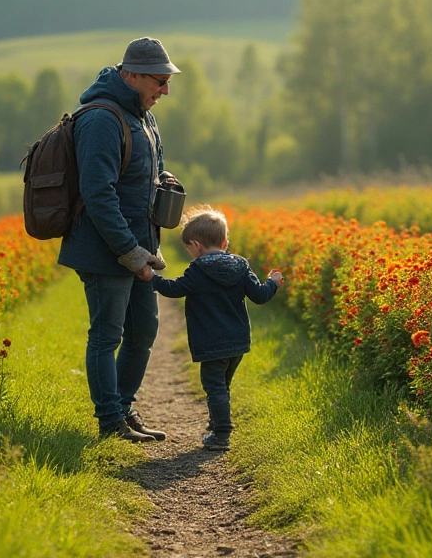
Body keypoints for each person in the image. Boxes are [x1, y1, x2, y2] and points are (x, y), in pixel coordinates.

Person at [58, 36, 178, 442]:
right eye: (159, 81)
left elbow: (148, 171)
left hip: (140, 246)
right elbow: (98, 194)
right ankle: (110, 423)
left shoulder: (143, 115)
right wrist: (129, 251)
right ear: (131, 75)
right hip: (104, 248)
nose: (165, 90)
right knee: (107, 334)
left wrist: (165, 183)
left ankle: (124, 410)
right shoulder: (100, 119)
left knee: (143, 330)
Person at [146, 206, 283, 451]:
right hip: (238, 341)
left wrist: (152, 278)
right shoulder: (241, 266)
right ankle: (217, 422)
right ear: (225, 241)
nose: (190, 254)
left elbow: (174, 289)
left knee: (214, 387)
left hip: (211, 342)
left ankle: (221, 434)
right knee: (223, 385)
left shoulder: (198, 270)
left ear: (196, 245)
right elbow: (260, 296)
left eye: (189, 249)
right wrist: (272, 283)